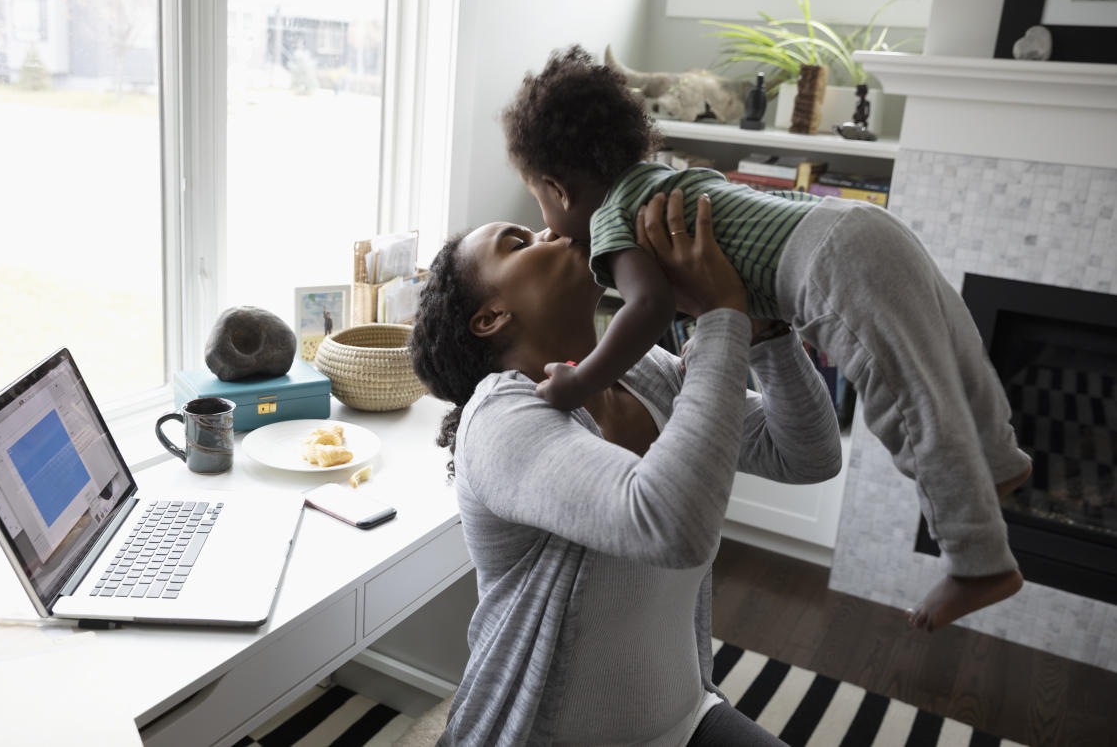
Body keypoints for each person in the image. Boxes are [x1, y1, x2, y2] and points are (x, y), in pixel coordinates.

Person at [501, 44, 1030, 633]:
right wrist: (746, 318)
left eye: (538, 204)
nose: (545, 224)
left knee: (911, 404)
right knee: (953, 357)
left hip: (830, 265)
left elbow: (646, 307)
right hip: (856, 224)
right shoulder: (664, 180)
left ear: (558, 187)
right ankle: (1000, 460)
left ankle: (977, 560)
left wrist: (581, 379)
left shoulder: (611, 220)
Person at [409, 190, 843, 745]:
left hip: (686, 719)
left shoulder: (645, 370)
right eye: (520, 242)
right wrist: (719, 319)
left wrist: (764, 333)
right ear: (490, 317)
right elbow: (671, 525)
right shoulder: (499, 419)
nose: (550, 232)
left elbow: (807, 454)